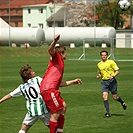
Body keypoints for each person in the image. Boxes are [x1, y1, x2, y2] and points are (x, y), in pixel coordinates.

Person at [40, 34, 82, 133]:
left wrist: (73, 81)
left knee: (63, 106)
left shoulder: (59, 64)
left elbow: (58, 84)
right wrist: (54, 41)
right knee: (56, 112)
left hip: (51, 89)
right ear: (62, 53)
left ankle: (59, 131)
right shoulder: (57, 57)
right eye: (65, 52)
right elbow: (51, 50)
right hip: (48, 89)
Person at [0, 64, 50, 133]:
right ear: (29, 75)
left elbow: (10, 94)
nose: (34, 72)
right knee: (54, 127)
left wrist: (0, 101)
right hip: (44, 110)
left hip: (32, 112)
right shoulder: (37, 80)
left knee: (23, 130)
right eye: (32, 72)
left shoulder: (22, 87)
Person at [96, 50, 127, 118]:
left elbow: (117, 71)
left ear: (107, 56)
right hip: (104, 82)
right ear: (100, 56)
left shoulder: (111, 62)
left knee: (115, 97)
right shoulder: (99, 64)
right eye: (102, 55)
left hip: (112, 81)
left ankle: (122, 101)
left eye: (105, 55)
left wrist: (112, 76)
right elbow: (100, 73)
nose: (104, 56)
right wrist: (99, 75)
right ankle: (108, 113)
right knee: (104, 96)